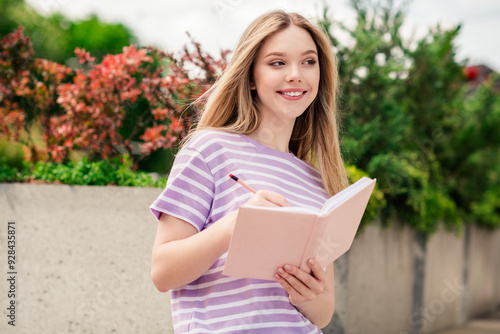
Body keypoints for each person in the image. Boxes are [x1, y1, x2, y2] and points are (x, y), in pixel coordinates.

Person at [149, 9, 348, 333]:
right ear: (252, 76)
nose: (296, 74)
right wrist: (236, 224)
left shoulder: (317, 182)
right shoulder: (209, 150)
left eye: (309, 62)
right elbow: (163, 271)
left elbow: (324, 312)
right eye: (277, 63)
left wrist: (308, 294)